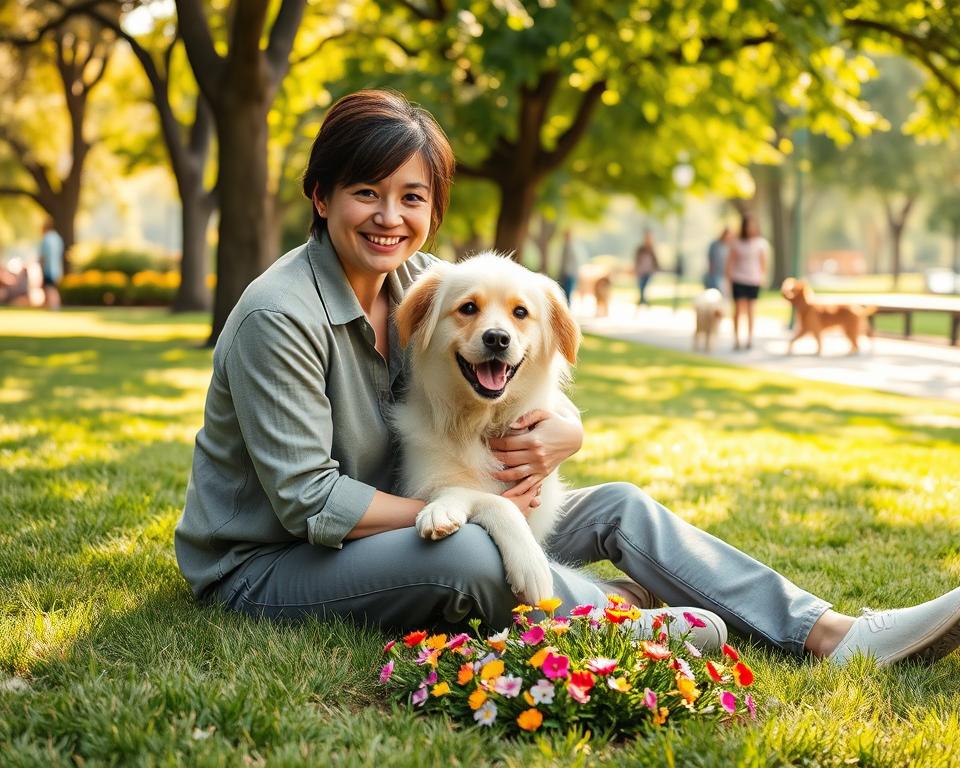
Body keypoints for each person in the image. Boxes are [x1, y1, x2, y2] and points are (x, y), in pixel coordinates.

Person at [175, 90, 960, 668]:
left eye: (412, 197)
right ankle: (622, 620)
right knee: (475, 558)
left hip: (413, 513)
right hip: (270, 566)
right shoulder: (279, 315)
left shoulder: (420, 280)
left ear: (433, 209)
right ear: (320, 197)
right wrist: (472, 505)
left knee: (618, 504)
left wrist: (566, 432)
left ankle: (831, 633)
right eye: (365, 193)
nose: (390, 216)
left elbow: (523, 324)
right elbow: (308, 501)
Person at [726, 214, 769, 350]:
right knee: (738, 310)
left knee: (751, 310)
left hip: (753, 280)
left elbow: (763, 263)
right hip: (739, 279)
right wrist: (728, 278)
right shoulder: (737, 243)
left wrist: (763, 276)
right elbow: (730, 261)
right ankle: (737, 339)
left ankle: (749, 339)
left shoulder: (761, 243)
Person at [38, 218, 64, 310]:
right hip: (57, 269)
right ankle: (52, 306)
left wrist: (41, 266)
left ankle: (54, 307)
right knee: (53, 288)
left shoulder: (46, 238)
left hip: (48, 268)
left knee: (49, 288)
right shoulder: (57, 238)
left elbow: (43, 256)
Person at [558, 229, 584, 305]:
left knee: (566, 293)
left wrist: (562, 273)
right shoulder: (573, 246)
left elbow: (565, 262)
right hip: (571, 273)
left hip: (568, 273)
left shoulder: (568, 247)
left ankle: (567, 310)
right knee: (567, 293)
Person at [634, 229, 659, 307]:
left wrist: (655, 269)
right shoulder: (640, 249)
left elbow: (655, 261)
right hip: (641, 272)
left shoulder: (652, 249)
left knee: (644, 287)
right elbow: (636, 260)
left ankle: (642, 301)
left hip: (648, 272)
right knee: (641, 287)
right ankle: (643, 301)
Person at [704, 226, 732, 293]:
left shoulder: (731, 246)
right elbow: (710, 258)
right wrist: (711, 271)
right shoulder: (715, 245)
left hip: (725, 275)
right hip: (715, 273)